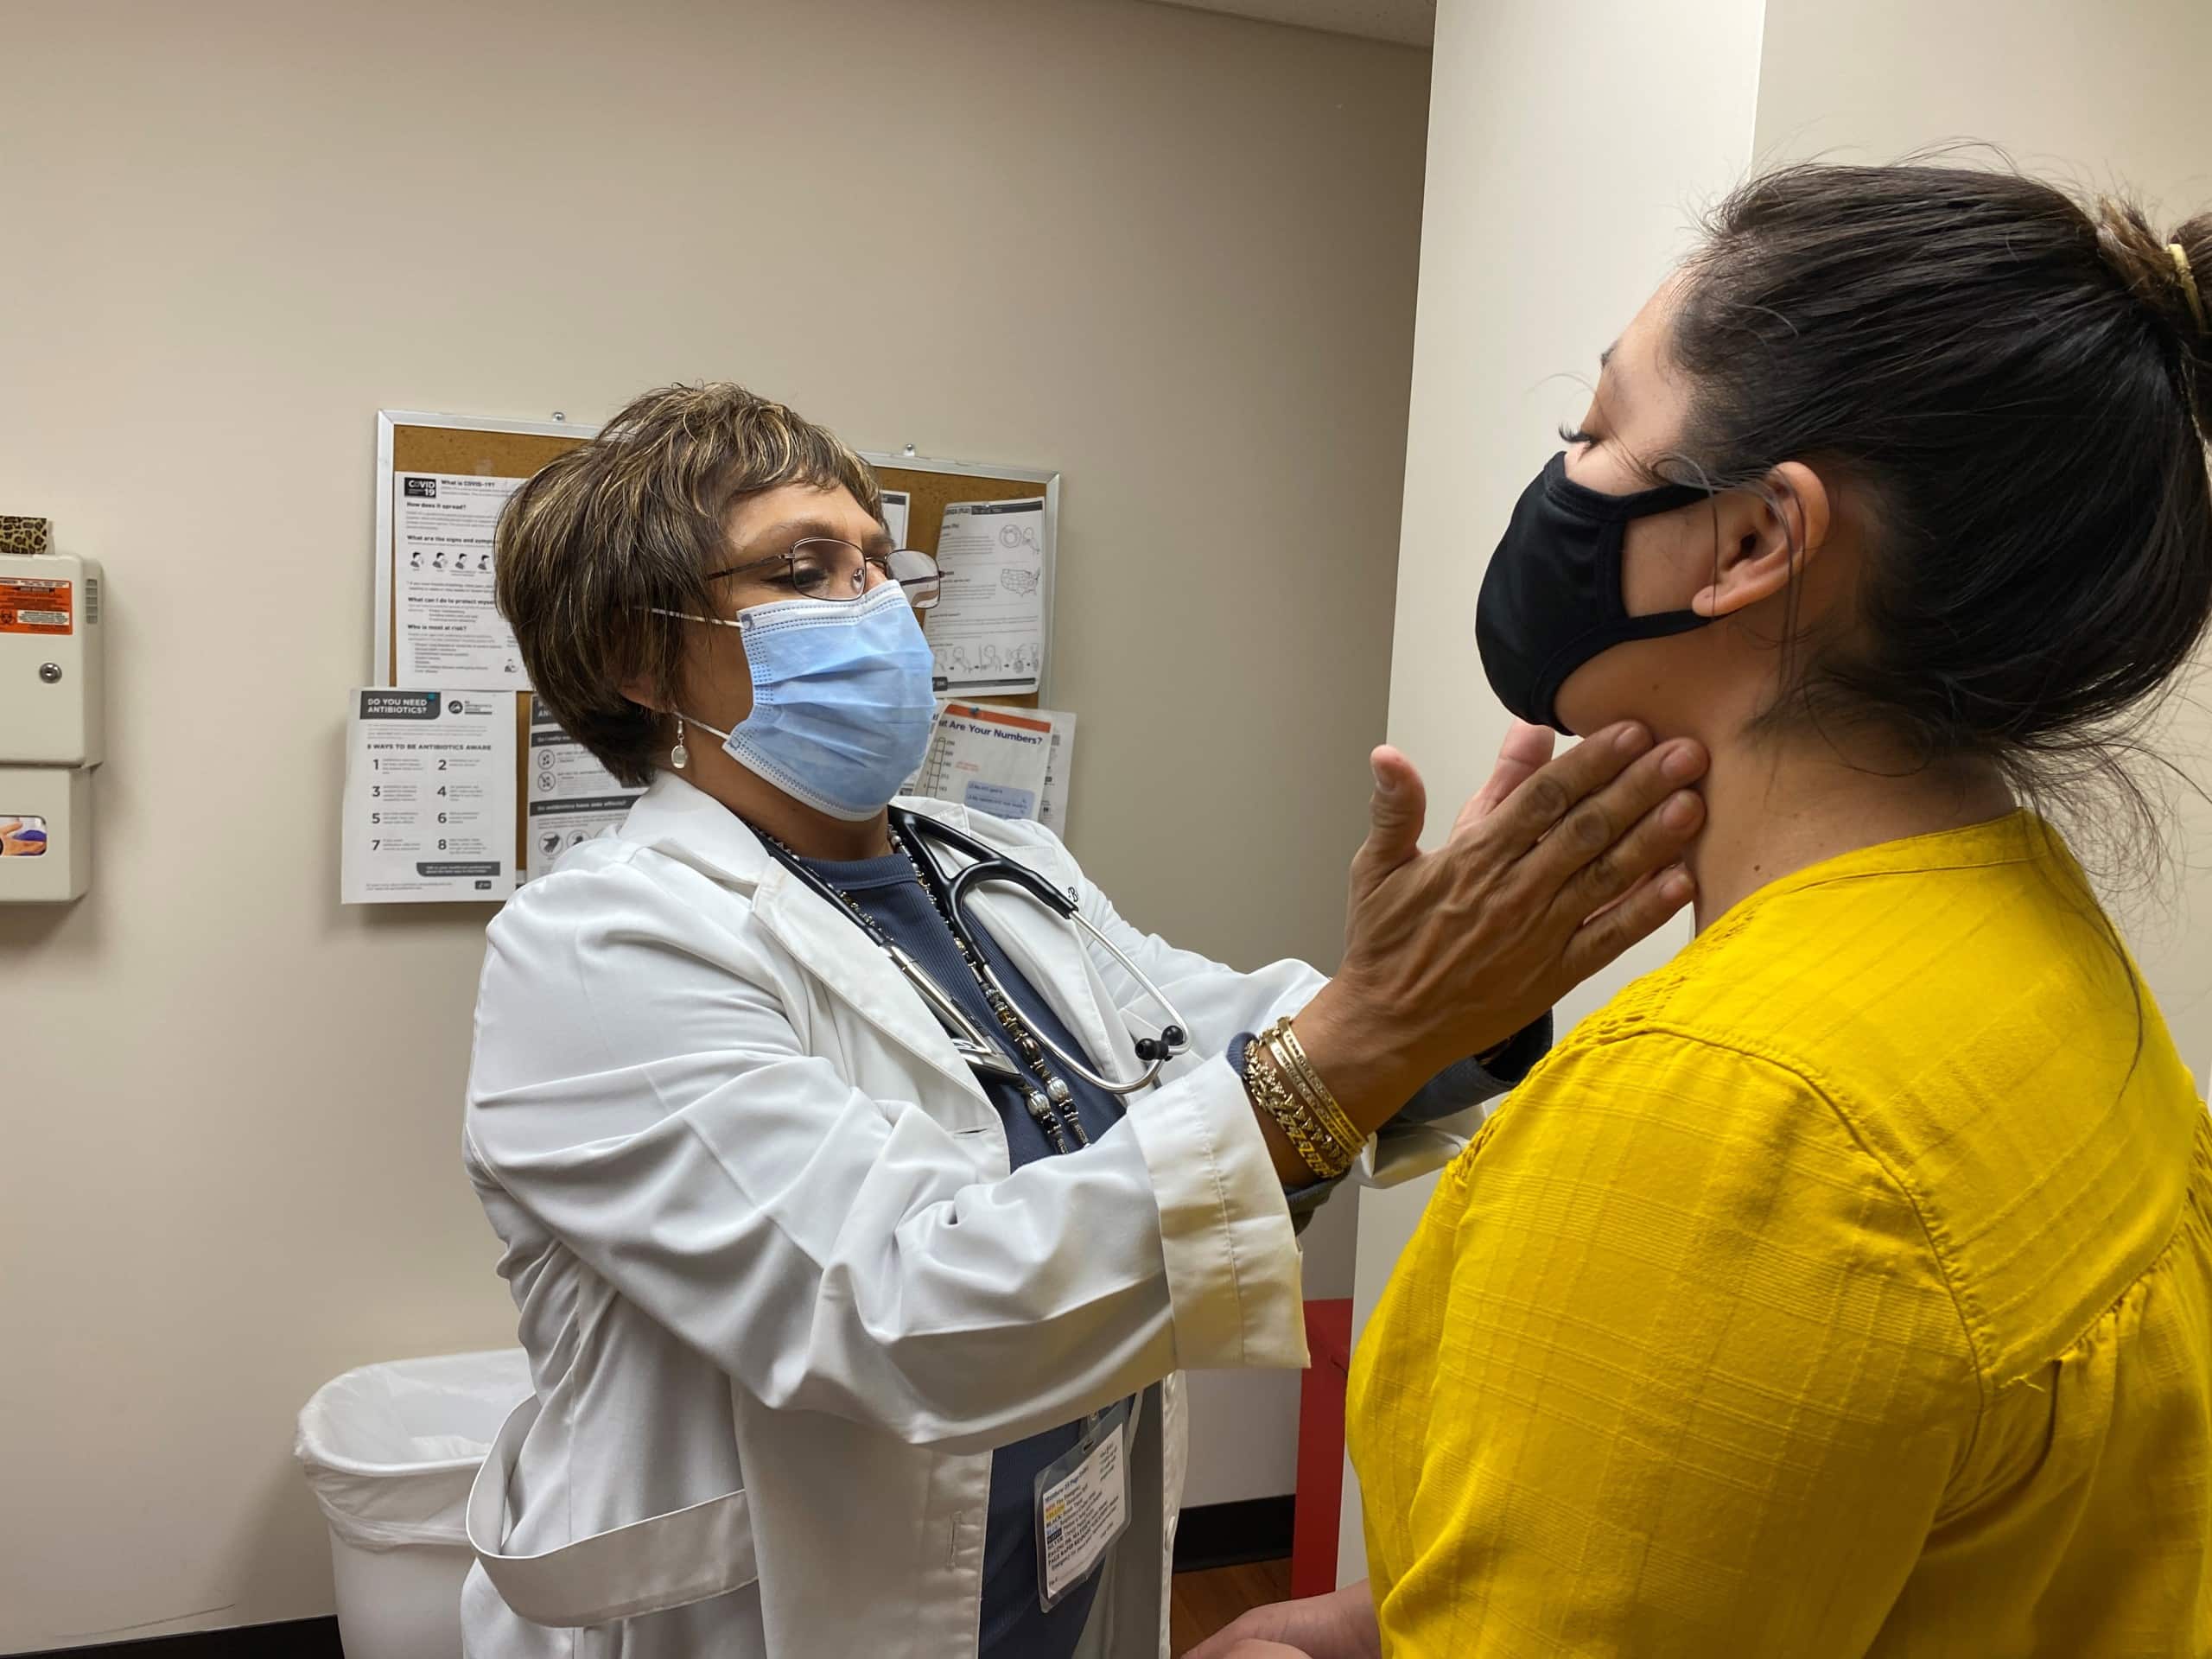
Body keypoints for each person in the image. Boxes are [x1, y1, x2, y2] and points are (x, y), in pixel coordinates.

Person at [457, 381, 1711, 1658]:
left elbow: (1208, 1041)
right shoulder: (596, 950)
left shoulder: (995, 860)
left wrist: (1461, 1001)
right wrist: (1364, 1039)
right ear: (633, 655)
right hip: (779, 1613)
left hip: (1054, 1568)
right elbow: (896, 1306)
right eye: (802, 569)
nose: (875, 604)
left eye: (880, 562)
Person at [1198, 162, 2212, 1659]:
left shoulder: (1730, 1121)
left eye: (1593, 434)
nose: (1560, 479)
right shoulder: (2026, 940)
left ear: (1749, 544)